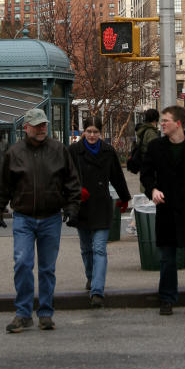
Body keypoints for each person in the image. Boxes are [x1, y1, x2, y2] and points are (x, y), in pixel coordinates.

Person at [0, 107, 81, 333]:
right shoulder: (14, 152)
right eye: (37, 125)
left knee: (47, 268)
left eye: (44, 125)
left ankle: (45, 313)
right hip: (23, 217)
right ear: (26, 127)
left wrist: (72, 205)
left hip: (51, 217)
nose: (42, 128)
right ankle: (23, 312)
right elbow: (3, 185)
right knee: (22, 263)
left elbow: (71, 180)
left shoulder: (59, 150)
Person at [140, 105, 185, 322]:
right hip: (166, 209)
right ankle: (167, 298)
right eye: (161, 121)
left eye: (166, 121)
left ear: (178, 123)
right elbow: (146, 174)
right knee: (168, 258)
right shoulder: (156, 147)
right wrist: (152, 189)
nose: (162, 124)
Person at [69, 116, 131, 308]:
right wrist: (77, 191)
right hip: (82, 205)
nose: (92, 135)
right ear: (83, 132)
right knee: (86, 248)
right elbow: (66, 176)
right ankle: (91, 277)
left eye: (96, 132)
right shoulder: (74, 151)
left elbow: (117, 176)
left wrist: (124, 197)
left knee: (99, 249)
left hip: (102, 205)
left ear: (100, 133)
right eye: (89, 131)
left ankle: (97, 290)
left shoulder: (108, 151)